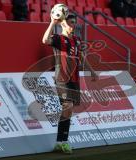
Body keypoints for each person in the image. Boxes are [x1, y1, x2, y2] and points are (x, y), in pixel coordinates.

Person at [42, 13, 97, 154]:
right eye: (70, 22)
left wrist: (91, 71)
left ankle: (60, 142)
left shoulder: (77, 40)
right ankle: (64, 142)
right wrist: (53, 23)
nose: (73, 25)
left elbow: (81, 56)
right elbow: (45, 40)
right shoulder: (59, 39)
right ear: (63, 24)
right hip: (62, 79)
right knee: (68, 106)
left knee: (67, 112)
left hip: (74, 80)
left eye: (74, 22)